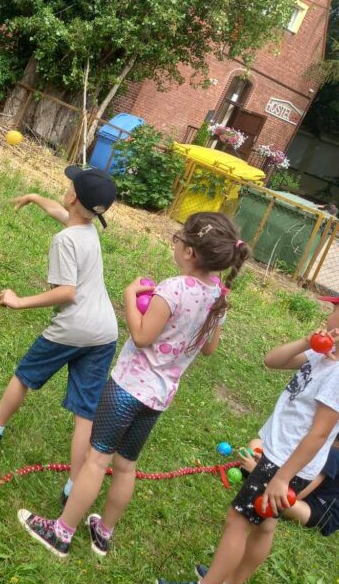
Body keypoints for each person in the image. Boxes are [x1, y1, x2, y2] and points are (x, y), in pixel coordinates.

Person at [17, 212, 250, 560]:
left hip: (127, 388)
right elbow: (211, 348)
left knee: (96, 461)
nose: (175, 244)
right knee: (126, 466)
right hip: (159, 397)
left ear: (190, 252)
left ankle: (60, 533)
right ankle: (103, 532)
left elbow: (142, 337)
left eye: (178, 239)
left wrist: (129, 297)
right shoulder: (218, 295)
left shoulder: (172, 289)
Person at [156, 301, 339, 584]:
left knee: (237, 521)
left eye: (335, 310)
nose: (329, 315)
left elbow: (319, 433)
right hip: (279, 456)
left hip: (285, 463)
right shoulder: (324, 356)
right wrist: (307, 343)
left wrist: (283, 478)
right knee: (264, 524)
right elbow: (272, 360)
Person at [0, 167, 119, 495]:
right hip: (104, 332)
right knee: (84, 412)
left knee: (24, 375)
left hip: (73, 327)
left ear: (74, 196)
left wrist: (19, 301)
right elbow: (62, 213)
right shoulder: (88, 229)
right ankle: (74, 486)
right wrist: (35, 198)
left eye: (69, 186)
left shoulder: (65, 240)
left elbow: (66, 291)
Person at [237, 435, 338, 537]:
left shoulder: (332, 455)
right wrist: (264, 461)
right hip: (292, 483)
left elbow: (296, 495)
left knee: (276, 499)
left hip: (318, 507)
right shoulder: (310, 442)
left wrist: (257, 470)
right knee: (256, 443)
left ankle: (256, 477)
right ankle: (257, 477)